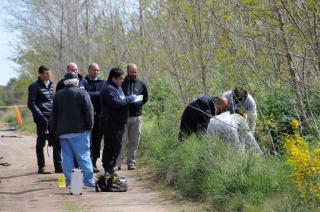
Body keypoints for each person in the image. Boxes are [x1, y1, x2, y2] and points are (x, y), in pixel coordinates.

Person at [50, 72, 95, 187]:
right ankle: (88, 180)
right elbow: (89, 112)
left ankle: (70, 182)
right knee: (83, 156)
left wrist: (52, 131)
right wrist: (90, 126)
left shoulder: (58, 95)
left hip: (63, 133)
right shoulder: (82, 93)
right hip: (79, 132)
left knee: (67, 158)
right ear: (76, 82)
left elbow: (53, 116)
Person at [100, 67, 137, 176]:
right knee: (111, 146)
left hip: (118, 122)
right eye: (120, 79)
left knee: (117, 146)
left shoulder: (117, 87)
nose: (122, 81)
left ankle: (111, 168)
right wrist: (130, 99)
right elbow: (116, 103)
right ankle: (108, 168)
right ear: (114, 78)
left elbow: (121, 100)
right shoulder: (108, 89)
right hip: (111, 123)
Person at [27, 65, 62, 174]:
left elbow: (54, 101)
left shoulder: (52, 85)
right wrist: (41, 117)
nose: (49, 75)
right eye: (47, 73)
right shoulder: (34, 86)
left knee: (57, 141)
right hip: (41, 118)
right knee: (41, 142)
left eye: (49, 73)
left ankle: (58, 167)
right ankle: (41, 167)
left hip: (53, 118)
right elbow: (31, 104)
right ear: (41, 74)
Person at [116, 64, 148, 171]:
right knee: (122, 141)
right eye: (131, 72)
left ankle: (131, 162)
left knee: (134, 141)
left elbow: (145, 98)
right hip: (123, 117)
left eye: (135, 72)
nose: (134, 74)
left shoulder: (141, 84)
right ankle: (118, 163)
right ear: (127, 71)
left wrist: (136, 105)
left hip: (137, 117)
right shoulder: (121, 83)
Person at [83, 63, 104, 173]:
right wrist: (97, 94)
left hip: (99, 116)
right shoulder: (83, 81)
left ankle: (94, 162)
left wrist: (90, 94)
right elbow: (83, 94)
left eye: (98, 70)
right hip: (86, 116)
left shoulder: (102, 82)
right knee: (87, 141)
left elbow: (103, 94)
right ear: (89, 70)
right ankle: (87, 163)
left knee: (97, 141)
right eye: (94, 70)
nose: (96, 72)